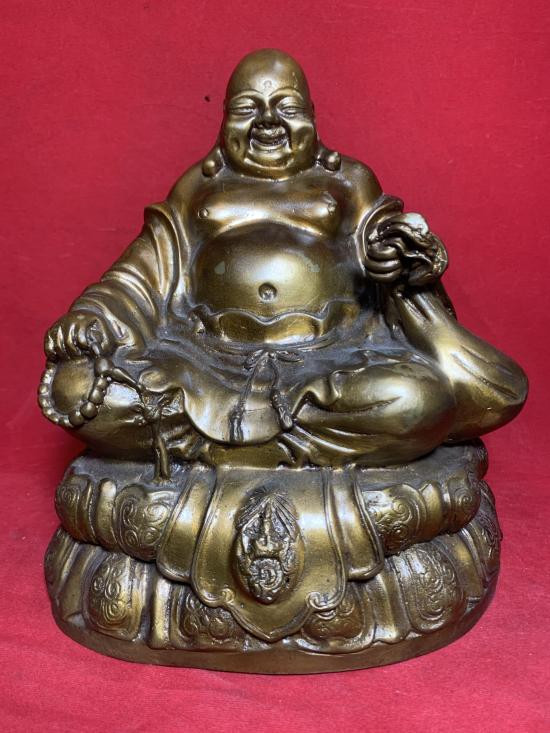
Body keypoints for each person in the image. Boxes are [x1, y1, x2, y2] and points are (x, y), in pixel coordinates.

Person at [40, 49, 527, 470]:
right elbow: (139, 276)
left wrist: (402, 262)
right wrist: (91, 319)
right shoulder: (197, 190)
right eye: (247, 108)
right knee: (79, 393)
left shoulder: (348, 183)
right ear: (223, 121)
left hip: (331, 358)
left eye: (287, 107)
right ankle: (280, 451)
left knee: (417, 400)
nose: (268, 122)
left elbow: (394, 243)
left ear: (312, 116)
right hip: (205, 360)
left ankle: (213, 450)